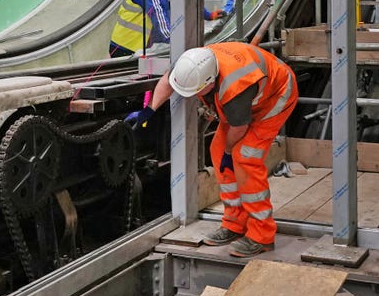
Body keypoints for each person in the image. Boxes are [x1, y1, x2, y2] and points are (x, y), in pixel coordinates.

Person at [126, 42, 297, 258]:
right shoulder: (190, 63)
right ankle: (234, 223)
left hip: (277, 95)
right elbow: (168, 82)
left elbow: (239, 127)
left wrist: (228, 152)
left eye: (197, 92)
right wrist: (148, 111)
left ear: (211, 81)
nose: (193, 95)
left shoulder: (235, 88)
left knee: (244, 156)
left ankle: (261, 235)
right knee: (217, 151)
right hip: (247, 98)